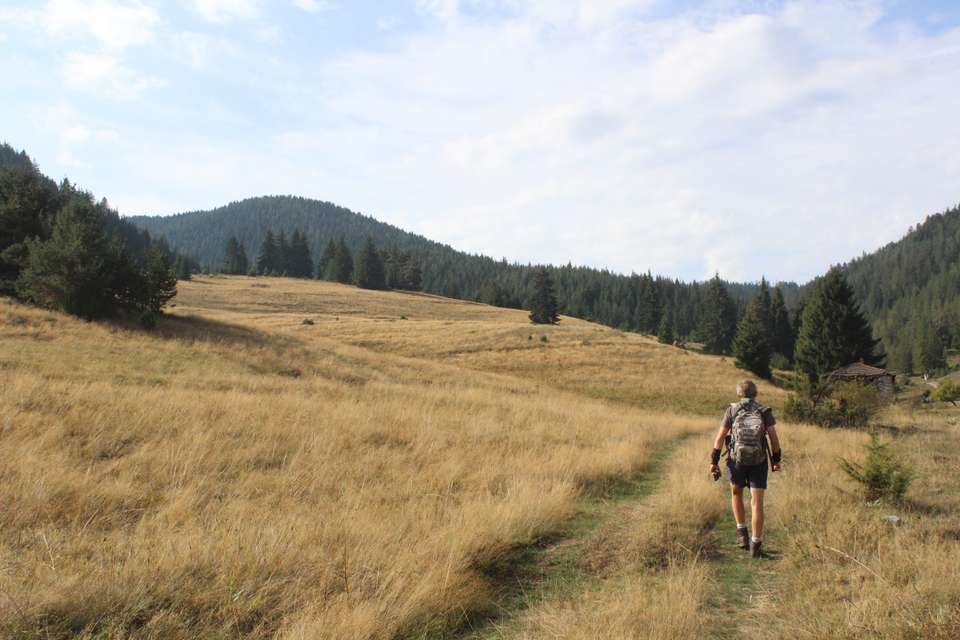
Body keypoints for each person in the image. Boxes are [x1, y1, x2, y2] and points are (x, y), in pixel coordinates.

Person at [709, 379, 781, 558]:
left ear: (739, 394)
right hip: (759, 461)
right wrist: (776, 460)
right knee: (757, 503)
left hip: (736, 460)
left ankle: (742, 535)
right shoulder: (764, 411)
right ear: (755, 394)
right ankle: (756, 546)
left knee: (736, 494)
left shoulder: (732, 410)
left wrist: (714, 461)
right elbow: (773, 437)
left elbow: (720, 437)